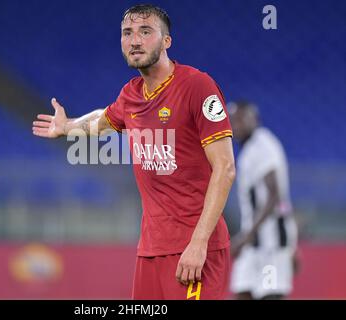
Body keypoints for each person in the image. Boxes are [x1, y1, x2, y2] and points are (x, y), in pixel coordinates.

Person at [32, 4, 235, 300]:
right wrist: (68, 126)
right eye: (127, 33)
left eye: (145, 31)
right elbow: (103, 120)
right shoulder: (131, 94)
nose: (135, 40)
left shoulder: (197, 86)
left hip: (195, 251)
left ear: (167, 41)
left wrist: (198, 243)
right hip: (151, 252)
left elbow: (226, 168)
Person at [229, 101, 298, 300]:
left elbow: (275, 195)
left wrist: (246, 236)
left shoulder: (263, 145)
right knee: (242, 292)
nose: (236, 125)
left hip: (271, 244)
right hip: (254, 243)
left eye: (242, 119)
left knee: (270, 294)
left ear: (255, 120)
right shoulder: (250, 150)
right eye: (233, 120)